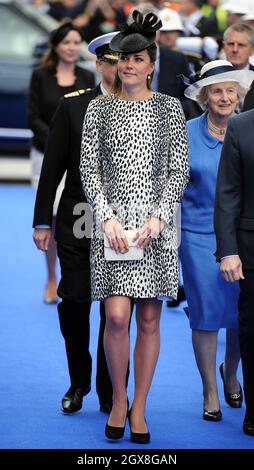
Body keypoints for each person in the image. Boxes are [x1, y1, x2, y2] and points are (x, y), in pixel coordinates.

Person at [80, 10, 189, 443]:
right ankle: (119, 399)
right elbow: (90, 170)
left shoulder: (168, 108)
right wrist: (105, 217)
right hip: (111, 227)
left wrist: (159, 217)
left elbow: (177, 170)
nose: (129, 66)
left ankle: (140, 406)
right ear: (115, 63)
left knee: (147, 318)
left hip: (155, 227)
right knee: (117, 315)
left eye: (138, 59)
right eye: (123, 59)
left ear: (152, 63)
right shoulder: (98, 110)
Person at [32, 32, 119, 414]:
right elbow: (51, 169)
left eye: (125, 60)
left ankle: (108, 388)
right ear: (97, 64)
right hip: (77, 218)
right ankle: (78, 380)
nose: (117, 67)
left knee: (116, 312)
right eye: (110, 60)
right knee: (74, 302)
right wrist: (41, 222)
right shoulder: (72, 107)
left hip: (125, 225)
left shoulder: (146, 109)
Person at [180, 59, 254, 421]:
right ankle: (210, 388)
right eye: (216, 92)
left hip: (241, 236)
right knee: (206, 315)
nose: (224, 97)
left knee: (242, 312)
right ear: (204, 97)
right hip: (196, 235)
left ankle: (232, 370)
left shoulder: (246, 129)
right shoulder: (186, 133)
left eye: (230, 91)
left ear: (239, 95)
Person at [28, 21, 94, 304]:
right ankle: (52, 277)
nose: (71, 47)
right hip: (45, 156)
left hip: (81, 159)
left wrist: (71, 147)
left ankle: (82, 273)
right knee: (52, 218)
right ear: (56, 46)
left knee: (80, 215)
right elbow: (33, 118)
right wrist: (57, 143)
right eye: (66, 42)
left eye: (76, 42)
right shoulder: (40, 76)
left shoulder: (88, 77)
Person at [214, 107, 254, 437]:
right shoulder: (240, 126)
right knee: (252, 329)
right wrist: (228, 250)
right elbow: (227, 193)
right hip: (250, 247)